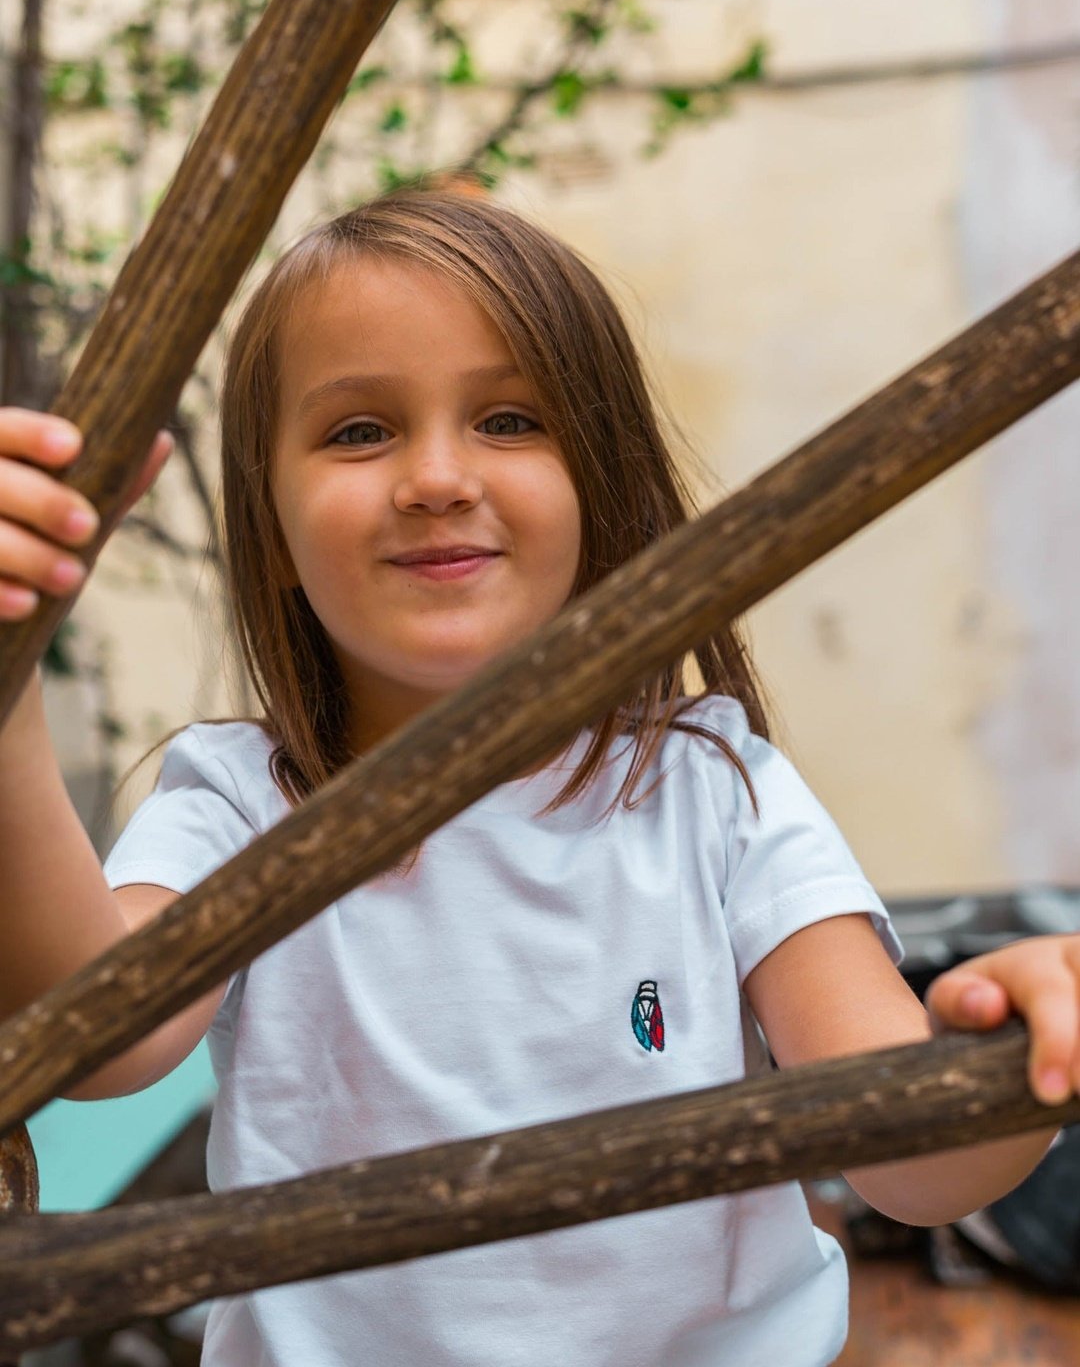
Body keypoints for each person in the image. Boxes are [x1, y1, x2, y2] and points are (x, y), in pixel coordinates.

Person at [0, 189, 1077, 1367]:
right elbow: (96, 1036)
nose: (436, 477)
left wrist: (1018, 1058)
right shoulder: (243, 801)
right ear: (273, 521)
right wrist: (8, 704)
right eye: (360, 431)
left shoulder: (711, 789)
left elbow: (906, 1156)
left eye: (510, 419)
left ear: (601, 478)